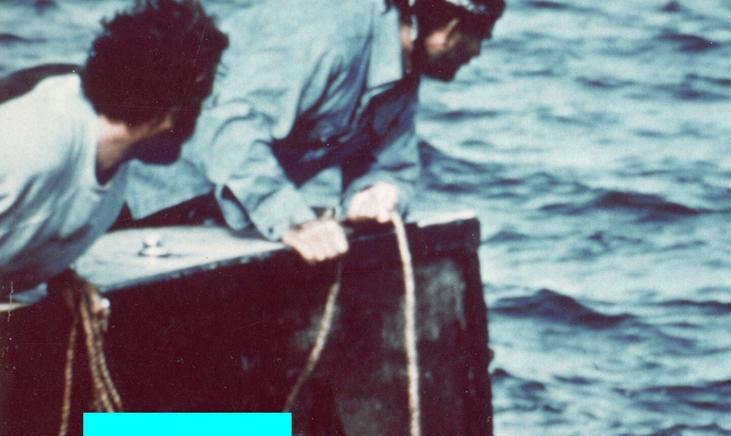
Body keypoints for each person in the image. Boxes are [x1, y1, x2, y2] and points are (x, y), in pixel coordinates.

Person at [123, 0, 504, 264]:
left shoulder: (402, 74)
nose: (478, 53)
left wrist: (379, 192)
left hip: (210, 219)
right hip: (132, 194)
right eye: (481, 37)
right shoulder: (331, 31)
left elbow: (393, 166)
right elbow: (231, 124)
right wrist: (294, 221)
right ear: (452, 28)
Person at [0, 0, 227, 296]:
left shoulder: (113, 163)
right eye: (200, 99)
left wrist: (60, 277)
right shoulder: (40, 141)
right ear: (168, 112)